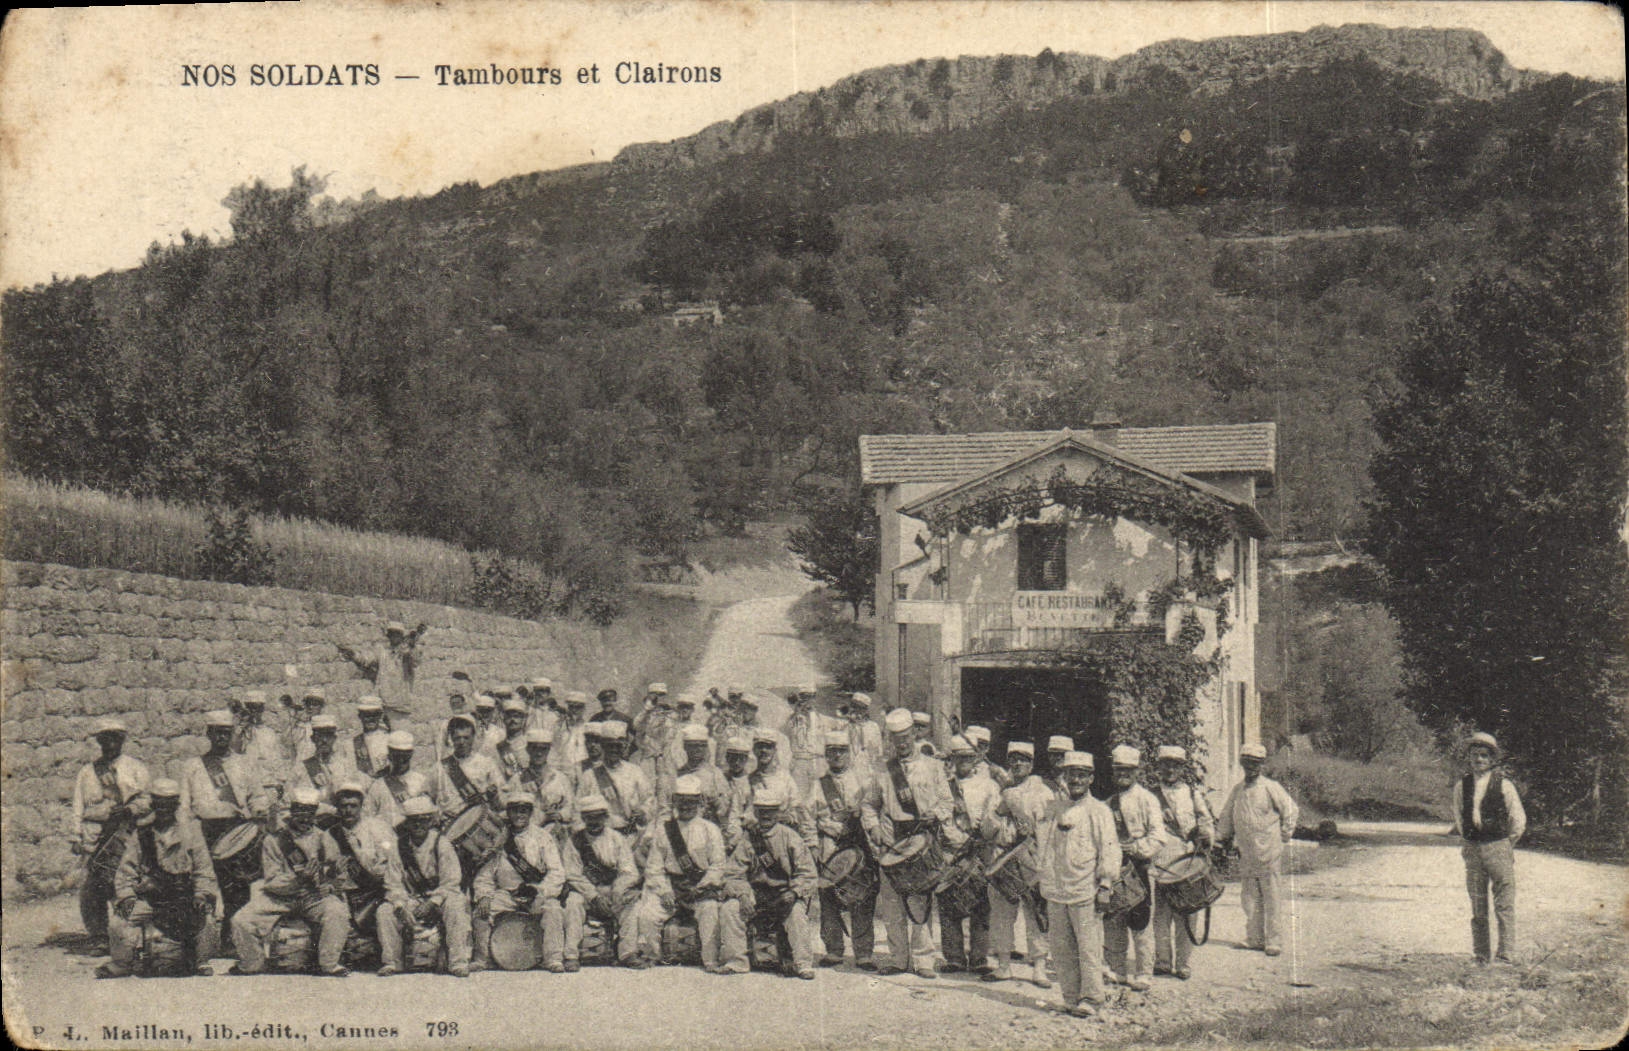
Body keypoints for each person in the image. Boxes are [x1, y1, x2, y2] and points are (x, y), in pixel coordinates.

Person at [862, 707, 959, 979]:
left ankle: (924, 960)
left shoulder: (933, 766)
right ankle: (897, 959)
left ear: (914, 734)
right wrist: (873, 829)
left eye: (905, 736)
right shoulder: (883, 770)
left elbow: (947, 803)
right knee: (892, 906)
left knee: (919, 902)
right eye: (896, 738)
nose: (901, 743)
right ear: (890, 740)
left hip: (921, 840)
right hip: (892, 841)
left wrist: (935, 814)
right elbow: (869, 805)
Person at [97, 779, 218, 978]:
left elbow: (204, 871)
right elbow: (125, 873)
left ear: (177, 805)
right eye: (159, 803)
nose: (164, 809)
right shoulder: (142, 834)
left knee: (207, 919)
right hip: (152, 898)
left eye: (169, 803)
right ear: (153, 805)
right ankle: (121, 963)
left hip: (183, 897)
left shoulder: (191, 832)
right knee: (119, 923)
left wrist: (202, 895)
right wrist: (127, 898)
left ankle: (201, 960)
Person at [229, 788, 351, 977]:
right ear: (292, 811)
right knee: (241, 920)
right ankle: (251, 963)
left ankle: (329, 964)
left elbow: (336, 873)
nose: (305, 819)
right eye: (300, 813)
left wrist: (332, 882)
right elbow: (272, 880)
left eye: (310, 813)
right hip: (279, 897)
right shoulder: (275, 840)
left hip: (313, 896)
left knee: (338, 912)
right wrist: (298, 879)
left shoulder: (323, 838)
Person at [1040, 750, 1120, 1018]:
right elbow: (1044, 845)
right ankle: (1071, 997)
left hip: (1086, 890)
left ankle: (1093, 998)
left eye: (1081, 775)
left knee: (1088, 948)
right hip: (1057, 889)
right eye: (1071, 774)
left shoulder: (1099, 811)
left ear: (1090, 779)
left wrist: (1106, 885)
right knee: (1061, 949)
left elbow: (1109, 850)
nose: (1075, 779)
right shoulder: (1055, 808)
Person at [178, 710, 267, 932]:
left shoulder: (244, 763)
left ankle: (233, 934)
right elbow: (183, 805)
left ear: (232, 734)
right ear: (209, 734)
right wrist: (184, 833)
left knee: (236, 886)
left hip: (235, 831)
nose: (221, 738)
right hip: (202, 830)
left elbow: (258, 796)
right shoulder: (193, 765)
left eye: (226, 733)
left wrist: (257, 809)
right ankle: (203, 936)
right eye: (217, 733)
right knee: (202, 883)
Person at [638, 775, 734, 972]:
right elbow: (654, 868)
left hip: (701, 886)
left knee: (709, 911)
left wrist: (701, 887)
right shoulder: (664, 830)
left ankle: (710, 960)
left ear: (700, 802)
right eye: (682, 801)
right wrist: (664, 891)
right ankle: (652, 956)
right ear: (674, 801)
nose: (686, 806)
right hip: (672, 886)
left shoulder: (710, 829)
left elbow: (718, 866)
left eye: (691, 801)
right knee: (647, 914)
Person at [73, 718, 152, 949]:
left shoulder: (136, 768)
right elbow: (78, 806)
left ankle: (128, 932)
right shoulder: (87, 772)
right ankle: (98, 935)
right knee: (92, 887)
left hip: (125, 834)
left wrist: (128, 809)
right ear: (99, 741)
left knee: (124, 882)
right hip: (95, 836)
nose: (110, 743)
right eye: (105, 738)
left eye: (115, 738)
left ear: (123, 740)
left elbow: (148, 799)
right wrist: (75, 836)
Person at [725, 787, 817, 979]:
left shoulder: (790, 837)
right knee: (730, 908)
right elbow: (733, 874)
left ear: (779, 812)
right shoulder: (748, 839)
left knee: (797, 913)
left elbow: (808, 874)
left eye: (771, 810)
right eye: (761, 810)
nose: (766, 815)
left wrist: (794, 892)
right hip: (756, 896)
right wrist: (742, 895)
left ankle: (803, 963)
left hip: (784, 895)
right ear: (756, 812)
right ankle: (737, 961)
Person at [472, 792, 570, 972]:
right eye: (515, 811)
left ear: (530, 813)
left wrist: (540, 891)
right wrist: (484, 896)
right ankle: (482, 958)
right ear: (508, 813)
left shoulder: (543, 838)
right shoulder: (499, 840)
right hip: (506, 894)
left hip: (537, 893)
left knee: (554, 911)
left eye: (524, 811)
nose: (519, 815)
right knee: (481, 912)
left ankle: (553, 958)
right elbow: (484, 877)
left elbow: (557, 873)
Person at [1216, 742, 1298, 957]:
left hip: (1269, 851)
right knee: (1249, 897)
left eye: (1255, 764)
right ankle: (1254, 938)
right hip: (1247, 852)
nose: (1251, 767)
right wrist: (1220, 839)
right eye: (1247, 763)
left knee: (1271, 896)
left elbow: (1291, 810)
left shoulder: (1271, 787)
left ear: (1261, 765)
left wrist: (1284, 834)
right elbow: (1226, 817)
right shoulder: (1238, 790)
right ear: (1242, 764)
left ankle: (1273, 940)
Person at [1452, 731, 1525, 964]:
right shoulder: (1461, 786)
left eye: (1484, 755)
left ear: (1492, 759)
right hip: (1473, 849)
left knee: (1504, 903)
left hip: (1498, 847)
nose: (1479, 760)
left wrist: (1504, 844)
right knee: (1478, 903)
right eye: (1475, 755)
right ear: (1469, 757)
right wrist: (1470, 840)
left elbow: (1518, 821)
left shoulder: (1504, 785)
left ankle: (1506, 954)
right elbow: (1459, 816)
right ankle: (1481, 954)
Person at [379, 796, 473, 977]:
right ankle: (392, 962)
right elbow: (392, 883)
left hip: (441, 897)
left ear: (430, 821)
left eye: (423, 820)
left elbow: (452, 881)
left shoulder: (441, 844)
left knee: (455, 905)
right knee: (384, 911)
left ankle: (458, 962)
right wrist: (400, 905)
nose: (418, 825)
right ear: (407, 823)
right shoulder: (399, 847)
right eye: (414, 821)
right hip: (413, 899)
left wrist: (432, 902)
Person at [808, 731, 878, 970]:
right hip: (829, 844)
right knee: (828, 896)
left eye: (841, 751)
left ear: (849, 753)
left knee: (862, 895)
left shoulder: (862, 780)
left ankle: (864, 953)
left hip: (856, 842)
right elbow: (808, 816)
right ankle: (833, 949)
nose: (836, 756)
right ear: (826, 755)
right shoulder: (818, 785)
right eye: (832, 751)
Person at [1103, 745, 1169, 991]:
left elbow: (1158, 837)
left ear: (1137, 771)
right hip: (1114, 869)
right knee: (1113, 920)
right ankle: (1117, 970)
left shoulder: (1147, 799)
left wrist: (1135, 848)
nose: (1123, 774)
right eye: (1119, 770)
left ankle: (1143, 972)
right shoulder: (1108, 802)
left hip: (1138, 867)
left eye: (1128, 770)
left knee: (1140, 921)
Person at [986, 741, 1052, 986]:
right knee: (1002, 914)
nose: (1017, 764)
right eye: (1012, 759)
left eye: (1022, 760)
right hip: (1003, 857)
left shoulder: (1044, 793)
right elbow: (987, 829)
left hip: (1031, 858)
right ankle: (1003, 965)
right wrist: (1000, 813)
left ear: (1031, 764)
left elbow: (1049, 829)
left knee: (1036, 913)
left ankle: (1039, 967)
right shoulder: (999, 791)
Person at [1151, 744, 1214, 980]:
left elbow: (1206, 821)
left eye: (1175, 765)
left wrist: (1204, 838)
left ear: (1182, 768)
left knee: (1187, 914)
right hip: (1160, 861)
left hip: (1187, 860)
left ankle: (1184, 963)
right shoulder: (1151, 795)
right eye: (1165, 764)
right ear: (1159, 767)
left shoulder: (1192, 793)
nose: (1170, 769)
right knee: (1161, 915)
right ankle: (1163, 961)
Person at [939, 735, 1001, 975]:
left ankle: (979, 957)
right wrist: (955, 837)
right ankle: (953, 957)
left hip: (980, 848)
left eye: (968, 756)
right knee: (948, 902)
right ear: (952, 759)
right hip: (951, 849)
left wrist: (981, 833)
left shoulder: (989, 786)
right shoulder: (944, 784)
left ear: (976, 758)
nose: (963, 761)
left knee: (981, 904)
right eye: (958, 757)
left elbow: (993, 815)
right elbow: (942, 816)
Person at [562, 795, 643, 967]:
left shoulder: (617, 839)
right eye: (589, 817)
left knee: (632, 904)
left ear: (606, 817)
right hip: (587, 893)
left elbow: (629, 871)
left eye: (598, 817)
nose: (594, 822)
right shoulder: (575, 841)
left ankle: (628, 953)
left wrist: (617, 890)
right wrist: (594, 896)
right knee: (573, 902)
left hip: (612, 891)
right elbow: (573, 875)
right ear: (583, 818)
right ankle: (571, 955)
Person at [328, 781, 393, 963]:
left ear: (362, 806)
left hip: (375, 892)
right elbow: (326, 873)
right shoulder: (329, 835)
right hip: (345, 894)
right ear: (337, 808)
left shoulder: (379, 829)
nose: (348, 810)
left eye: (353, 806)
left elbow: (392, 861)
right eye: (343, 806)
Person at [584, 722, 655, 839]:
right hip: (600, 838)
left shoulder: (635, 772)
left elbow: (649, 800)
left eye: (618, 746)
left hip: (631, 837)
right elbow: (577, 811)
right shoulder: (589, 776)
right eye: (610, 746)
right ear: (603, 746)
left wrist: (642, 812)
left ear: (623, 747)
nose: (614, 750)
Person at [748, 731, 816, 850]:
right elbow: (745, 815)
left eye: (768, 747)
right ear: (754, 750)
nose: (763, 751)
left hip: (783, 837)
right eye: (760, 747)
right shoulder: (749, 781)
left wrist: (811, 843)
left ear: (774, 750)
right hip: (757, 841)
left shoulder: (785, 779)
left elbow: (800, 811)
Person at [509, 728, 577, 832]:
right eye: (534, 749)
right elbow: (511, 812)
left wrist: (560, 815)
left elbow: (572, 807)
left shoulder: (560, 778)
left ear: (549, 750)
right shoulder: (517, 780)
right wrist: (543, 818)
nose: (539, 753)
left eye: (543, 749)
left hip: (556, 833)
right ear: (528, 749)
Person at [287, 715, 362, 806]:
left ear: (334, 738)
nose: (324, 740)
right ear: (313, 739)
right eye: (320, 736)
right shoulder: (300, 769)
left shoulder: (346, 767)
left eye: (328, 735)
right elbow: (289, 798)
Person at [660, 724, 728, 825]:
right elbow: (668, 805)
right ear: (685, 747)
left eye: (702, 745)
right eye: (693, 745)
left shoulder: (715, 774)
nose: (698, 749)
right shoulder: (677, 774)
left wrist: (715, 801)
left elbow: (725, 806)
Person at [362, 732, 430, 830]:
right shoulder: (378, 786)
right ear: (389, 755)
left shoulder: (421, 782)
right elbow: (367, 817)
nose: (401, 760)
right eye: (397, 756)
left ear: (411, 754)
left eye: (405, 756)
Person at [782, 683, 835, 791]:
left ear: (815, 698)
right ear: (800, 698)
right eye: (804, 697)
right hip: (799, 762)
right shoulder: (792, 719)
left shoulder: (823, 719)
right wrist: (796, 714)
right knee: (799, 796)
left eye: (811, 697)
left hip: (819, 761)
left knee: (821, 795)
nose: (808, 700)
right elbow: (784, 733)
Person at [718, 737, 756, 851]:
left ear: (746, 759)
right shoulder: (720, 779)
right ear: (727, 758)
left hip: (742, 833)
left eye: (741, 759)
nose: (736, 763)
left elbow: (750, 813)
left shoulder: (751, 783)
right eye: (733, 758)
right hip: (720, 830)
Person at [842, 692, 885, 777]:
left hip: (869, 769)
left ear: (866, 710)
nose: (857, 711)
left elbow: (879, 751)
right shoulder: (846, 727)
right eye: (854, 707)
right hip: (852, 770)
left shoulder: (873, 726)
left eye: (861, 708)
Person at [351, 697, 392, 778]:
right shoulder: (355, 742)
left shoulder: (389, 740)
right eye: (367, 715)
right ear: (360, 716)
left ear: (380, 716)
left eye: (374, 715)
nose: (371, 719)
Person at [494, 698, 533, 780]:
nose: (512, 720)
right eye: (509, 716)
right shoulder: (499, 747)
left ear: (524, 719)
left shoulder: (530, 745)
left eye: (516, 716)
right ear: (503, 719)